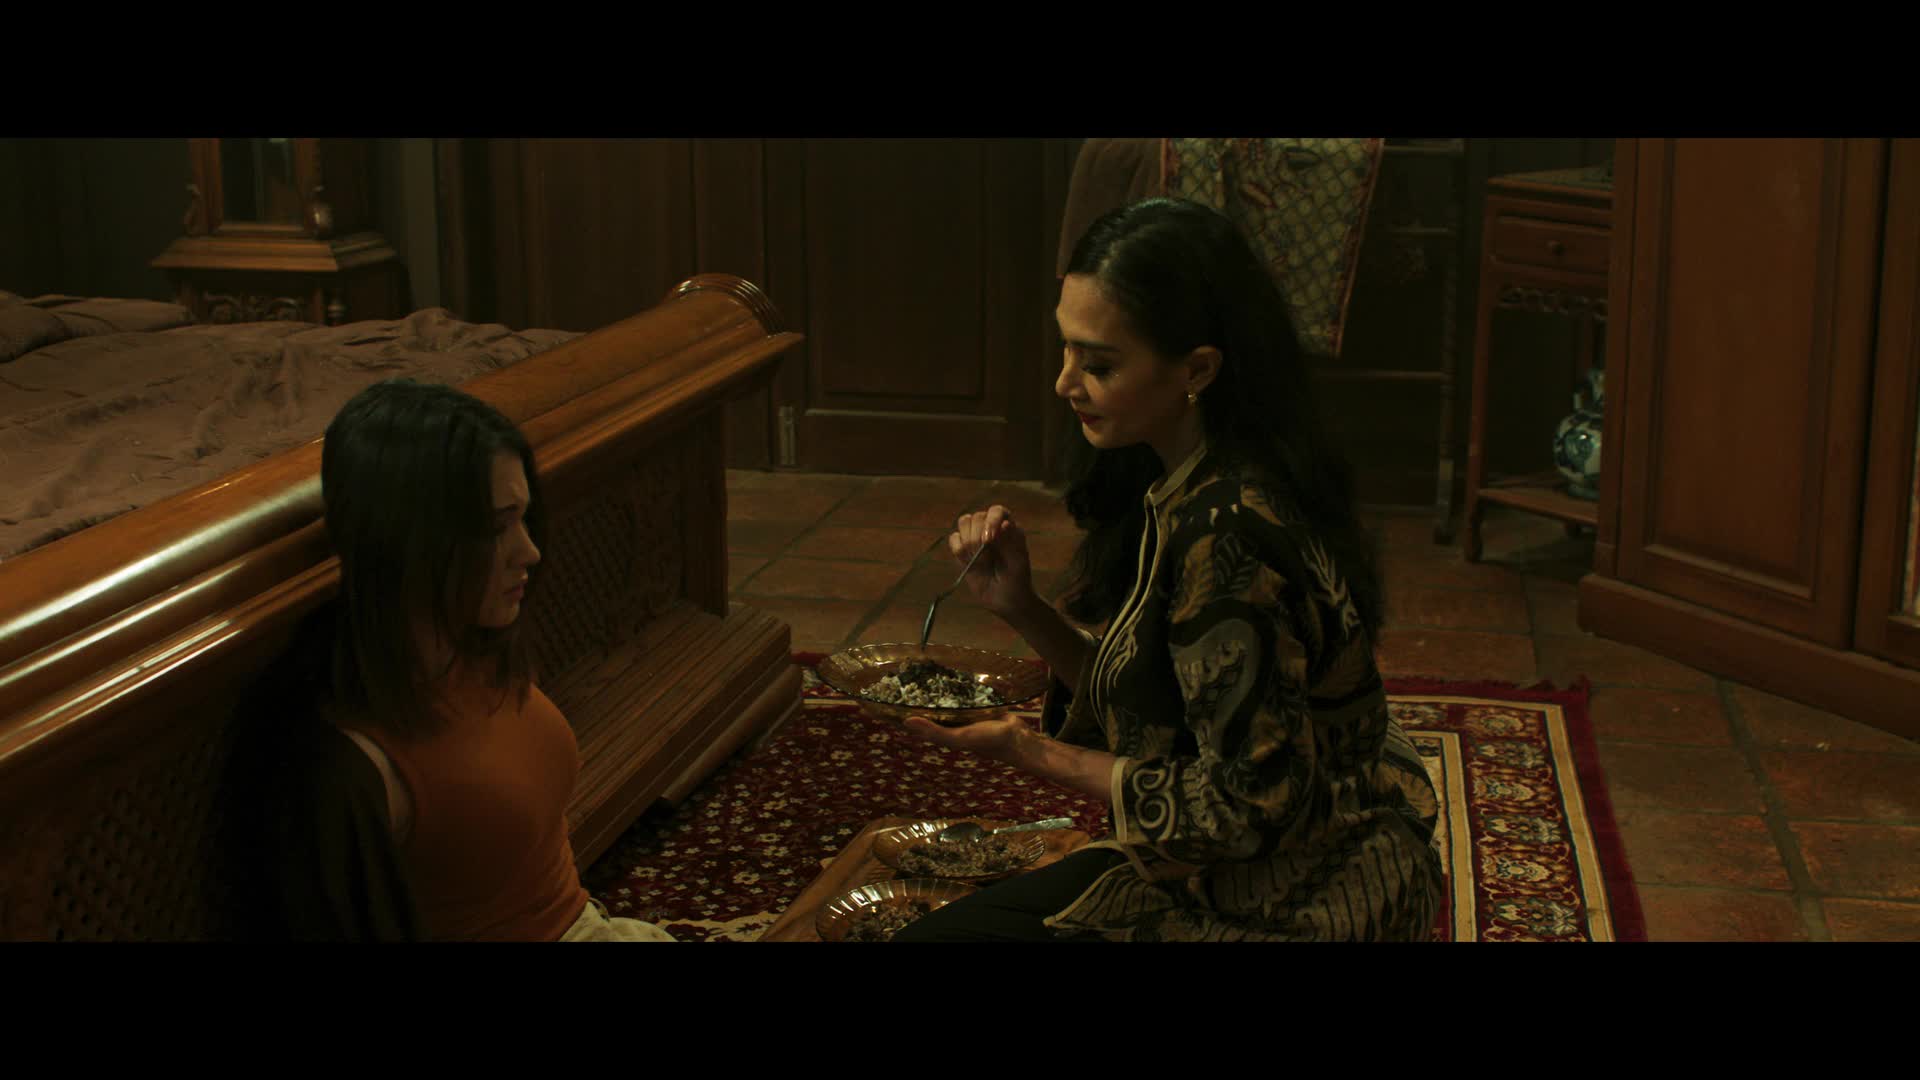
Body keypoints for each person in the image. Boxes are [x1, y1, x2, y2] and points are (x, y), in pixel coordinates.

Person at [891, 198, 1444, 942]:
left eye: (1098, 364)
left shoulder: (1229, 534)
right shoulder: (1196, 479)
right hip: (1234, 865)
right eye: (1066, 351)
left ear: (1197, 369)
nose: (1064, 383)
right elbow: (1162, 708)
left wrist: (1030, 749)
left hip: (1306, 897)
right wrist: (1021, 607)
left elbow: (1249, 807)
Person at [269, 378, 672, 942]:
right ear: (409, 538)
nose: (529, 551)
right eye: (495, 528)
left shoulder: (475, 645)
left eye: (523, 518)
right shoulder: (357, 761)